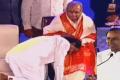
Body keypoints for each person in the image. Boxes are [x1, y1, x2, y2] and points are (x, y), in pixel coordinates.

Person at [43, 1, 96, 80]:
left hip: (82, 46)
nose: (73, 14)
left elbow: (92, 36)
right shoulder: (59, 19)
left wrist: (79, 43)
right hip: (63, 46)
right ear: (66, 10)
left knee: (86, 53)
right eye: (70, 12)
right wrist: (65, 42)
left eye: (76, 12)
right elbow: (48, 33)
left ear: (81, 11)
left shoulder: (87, 20)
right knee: (61, 57)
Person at [0, 35, 81, 80]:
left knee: (23, 78)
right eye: (73, 49)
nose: (70, 52)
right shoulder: (64, 43)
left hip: (13, 55)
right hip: (27, 57)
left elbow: (51, 63)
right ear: (72, 43)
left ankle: (6, 78)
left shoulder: (53, 39)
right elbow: (58, 65)